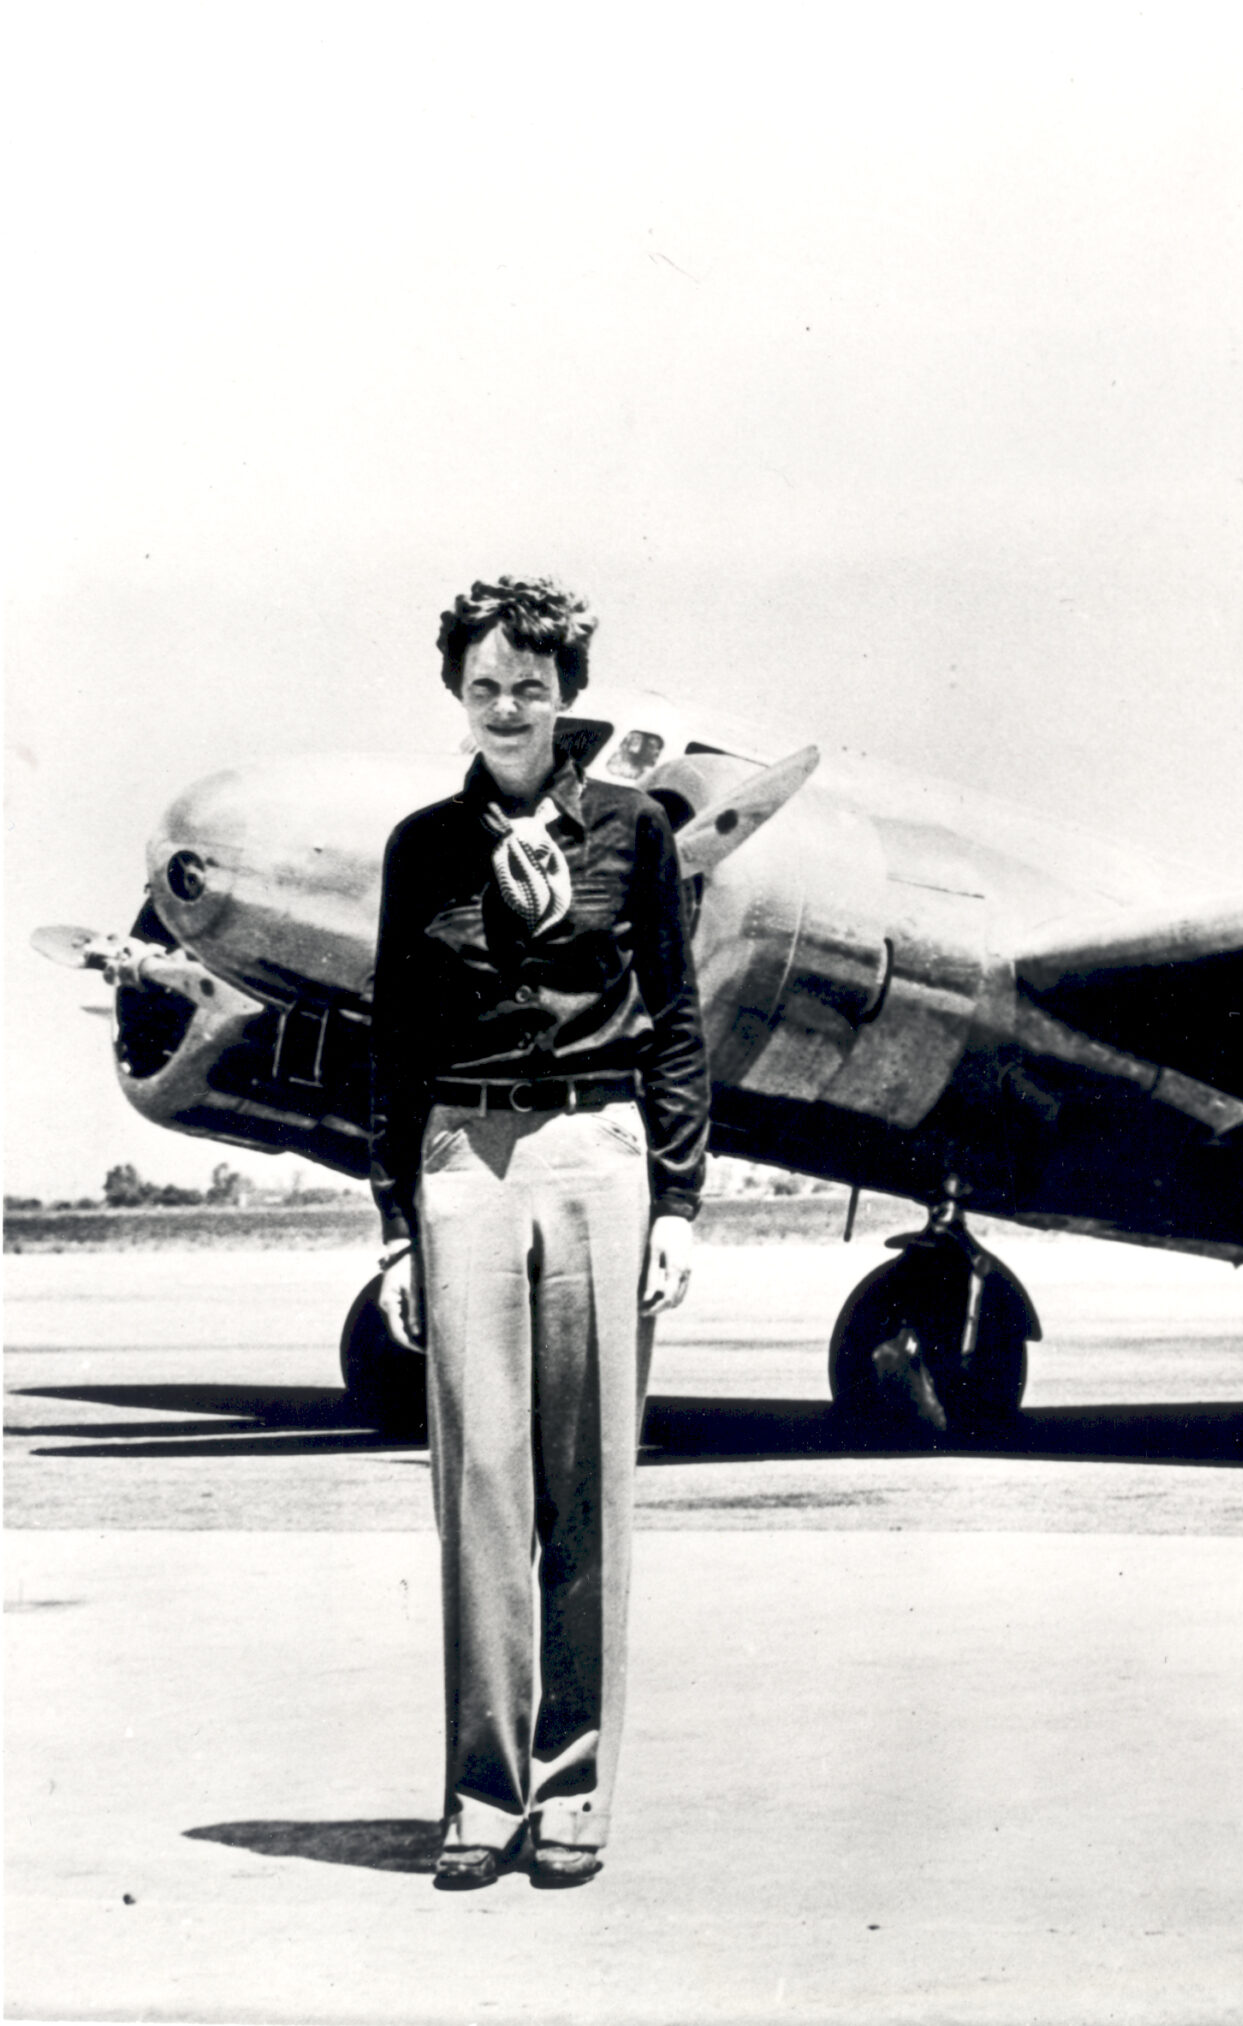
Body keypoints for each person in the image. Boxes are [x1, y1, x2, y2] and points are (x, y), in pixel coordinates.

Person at [368, 576, 709, 1891]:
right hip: (464, 1156)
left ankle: (572, 1793)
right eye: (483, 685)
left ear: (567, 691)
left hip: (596, 1152)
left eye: (530, 683)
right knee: (481, 1494)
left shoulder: (635, 831)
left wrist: (677, 1201)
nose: (505, 705)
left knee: (588, 1493)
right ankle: (481, 1792)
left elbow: (675, 1020)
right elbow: (394, 1045)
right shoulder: (419, 849)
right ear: (455, 693)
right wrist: (398, 1223)